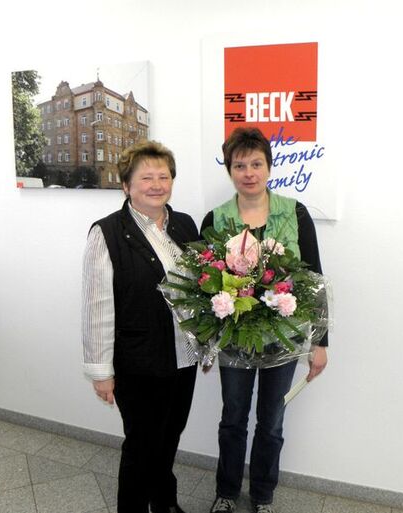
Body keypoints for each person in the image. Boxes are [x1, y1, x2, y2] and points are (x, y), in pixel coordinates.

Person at [202, 127, 328, 513]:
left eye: (256, 164)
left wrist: (320, 343)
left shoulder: (295, 213)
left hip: (283, 338)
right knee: (233, 418)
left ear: (269, 167)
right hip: (234, 338)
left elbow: (315, 278)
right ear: (229, 170)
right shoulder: (216, 218)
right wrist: (205, 342)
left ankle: (262, 496)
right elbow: (203, 285)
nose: (249, 173)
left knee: (271, 422)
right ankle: (226, 493)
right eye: (239, 165)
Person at [82, 140, 199, 513]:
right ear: (126, 185)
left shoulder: (185, 225)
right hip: (138, 361)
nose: (156, 184)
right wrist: (101, 371)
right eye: (146, 177)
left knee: (169, 436)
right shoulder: (107, 233)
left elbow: (202, 289)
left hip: (183, 357)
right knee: (141, 445)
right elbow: (97, 307)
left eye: (163, 176)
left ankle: (164, 502)